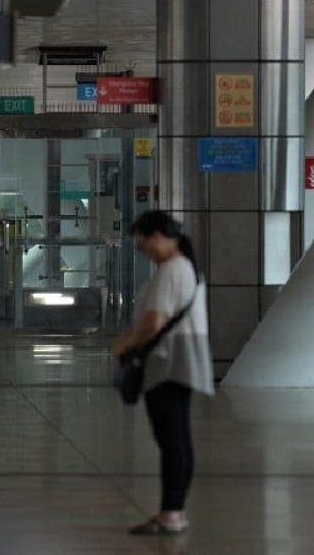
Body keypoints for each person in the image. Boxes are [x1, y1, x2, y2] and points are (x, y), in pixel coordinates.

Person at [113, 210, 215, 535]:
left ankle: (172, 513)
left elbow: (154, 321)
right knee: (176, 437)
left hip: (168, 360)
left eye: (143, 245)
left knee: (171, 438)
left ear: (157, 236)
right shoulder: (184, 267)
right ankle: (173, 511)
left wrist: (126, 347)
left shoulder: (172, 269)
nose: (144, 252)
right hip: (181, 357)